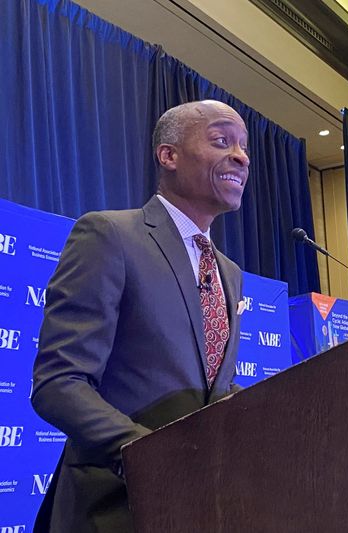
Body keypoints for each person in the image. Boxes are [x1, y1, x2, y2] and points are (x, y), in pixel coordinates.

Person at [31, 100, 250, 532]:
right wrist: (149, 454)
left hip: (199, 507)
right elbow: (59, 383)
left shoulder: (230, 273)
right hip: (112, 506)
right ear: (168, 155)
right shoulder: (109, 235)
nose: (240, 157)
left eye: (244, 147)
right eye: (222, 141)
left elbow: (207, 388)